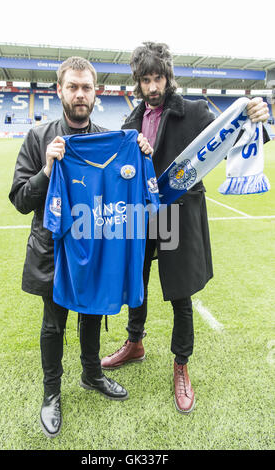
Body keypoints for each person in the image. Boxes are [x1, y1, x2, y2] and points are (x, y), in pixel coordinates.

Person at [101, 42, 270, 414]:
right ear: (138, 82)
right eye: (145, 80)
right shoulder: (130, 122)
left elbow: (231, 134)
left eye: (158, 77)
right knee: (136, 281)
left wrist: (254, 114)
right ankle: (135, 343)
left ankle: (181, 365)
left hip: (177, 214)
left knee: (180, 294)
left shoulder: (193, 111)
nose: (152, 86)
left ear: (167, 76)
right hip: (142, 215)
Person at [9, 56, 153, 438]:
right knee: (54, 323)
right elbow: (20, 199)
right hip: (53, 253)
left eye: (86, 87)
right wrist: (45, 170)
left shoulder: (111, 137)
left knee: (91, 313)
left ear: (96, 92)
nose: (79, 94)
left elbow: (133, 184)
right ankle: (51, 394)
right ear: (59, 90)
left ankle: (92, 375)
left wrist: (141, 153)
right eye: (72, 87)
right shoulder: (39, 138)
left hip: (96, 247)